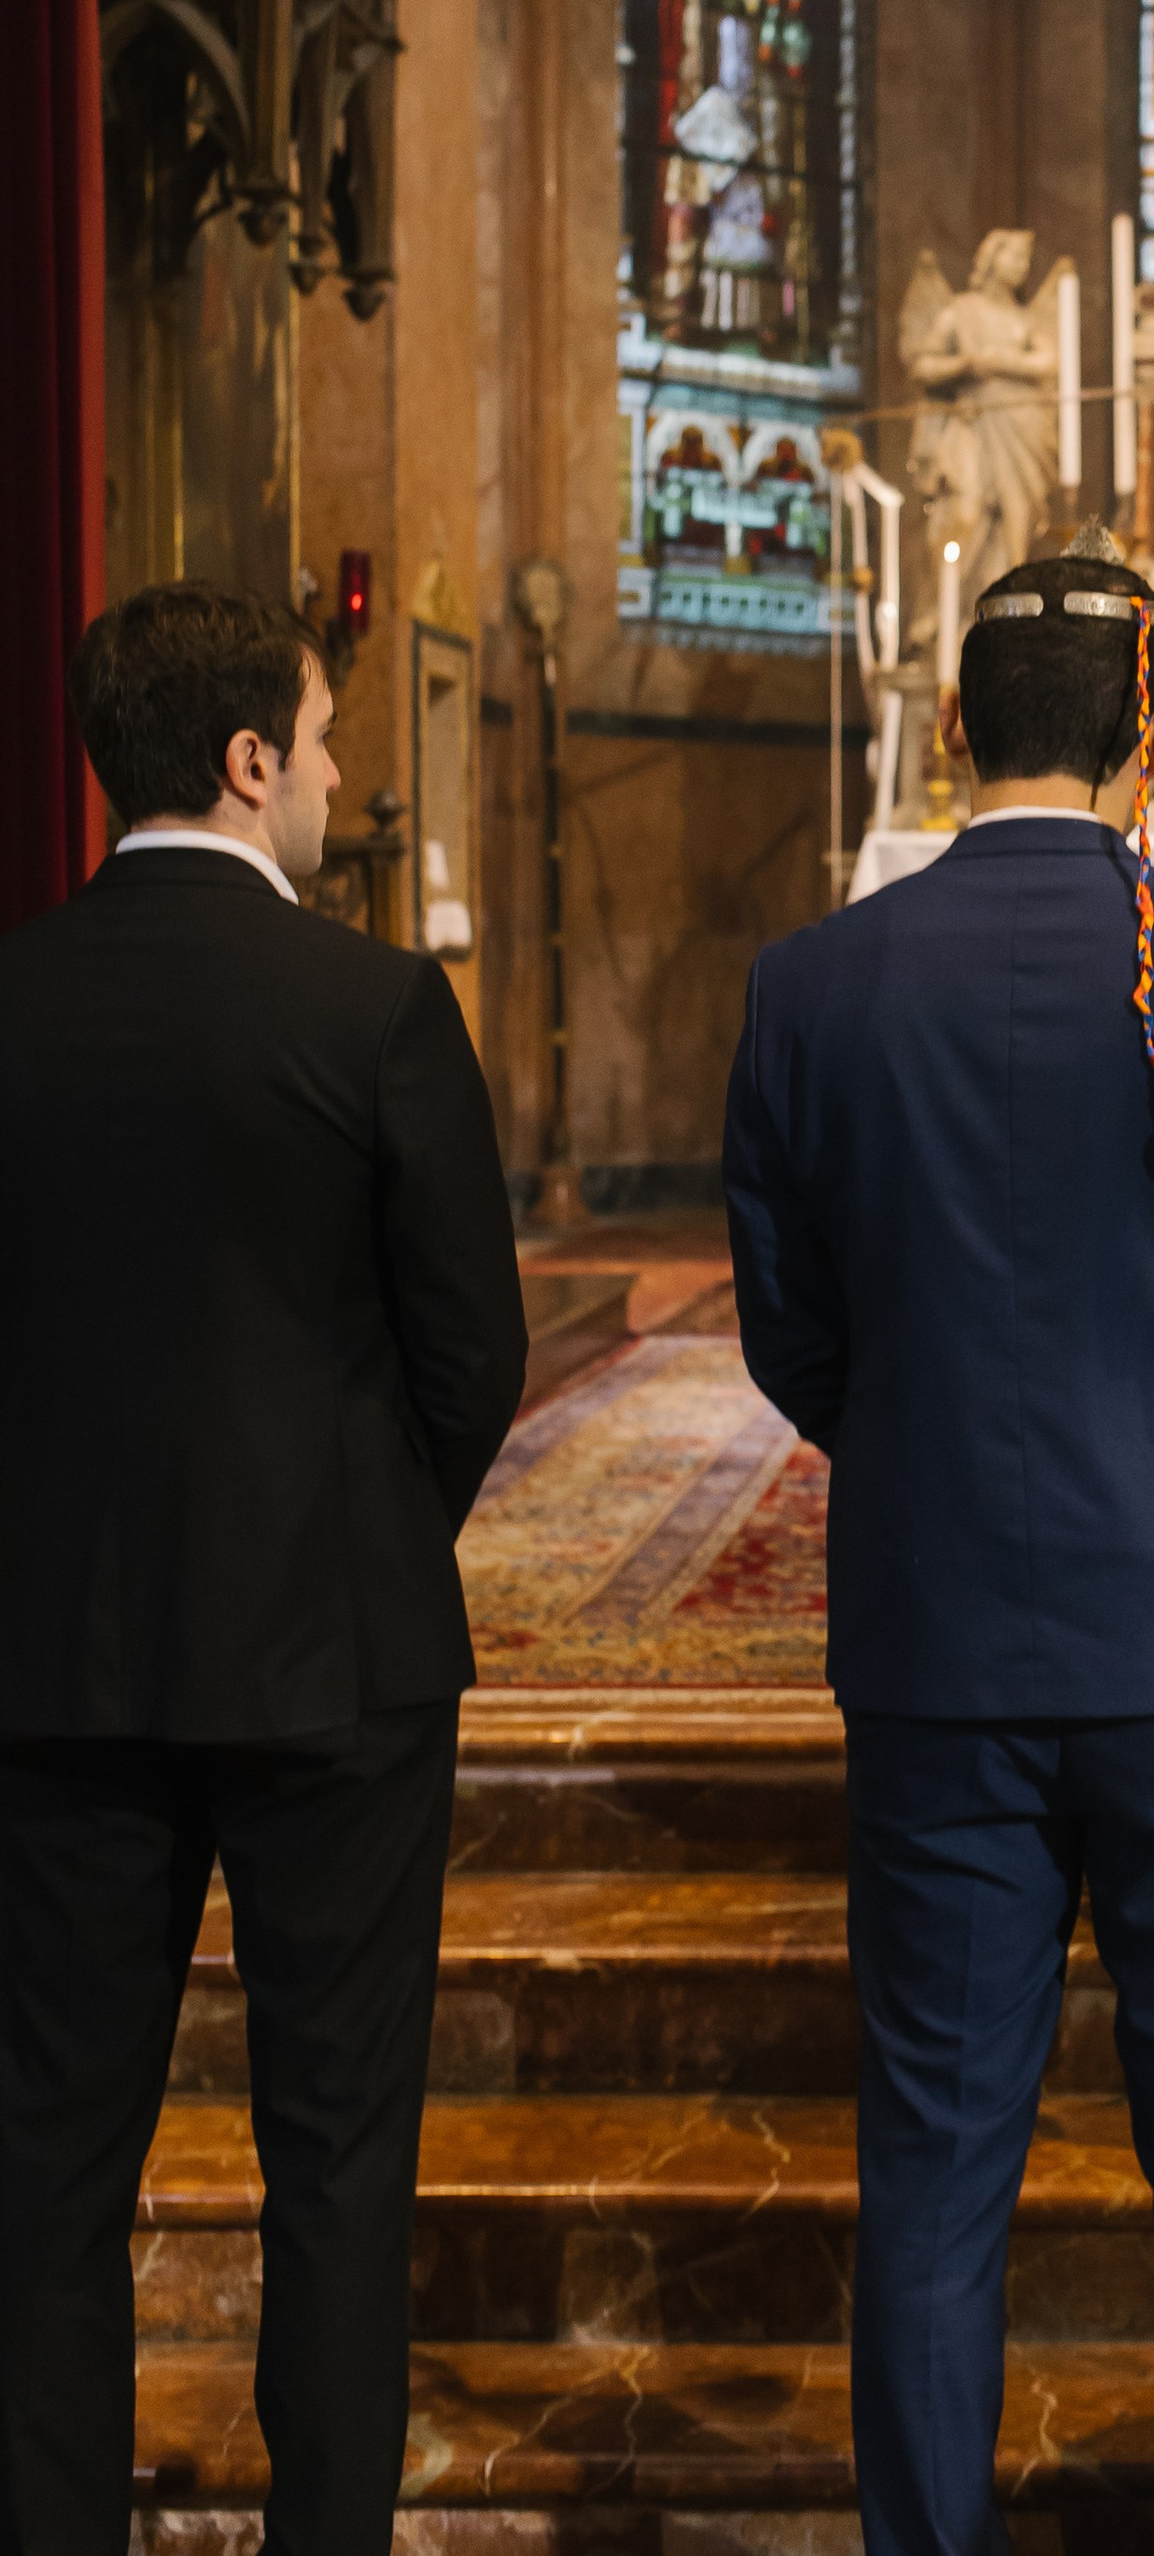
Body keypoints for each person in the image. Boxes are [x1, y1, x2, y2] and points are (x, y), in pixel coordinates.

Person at [724, 551, 1154, 2556]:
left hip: (936, 1649)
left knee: (935, 2181)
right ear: (1151, 735)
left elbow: (789, 1331)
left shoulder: (814, 981)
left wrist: (925, 1448)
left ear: (950, 727)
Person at [0, 582, 526, 2555]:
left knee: (46, 2166)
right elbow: (473, 1356)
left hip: (50, 1665)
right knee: (337, 2165)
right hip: (339, 1666)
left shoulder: (14, 996)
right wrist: (365, 1533)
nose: (334, 770)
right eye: (316, 737)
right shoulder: (374, 1008)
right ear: (245, 763)